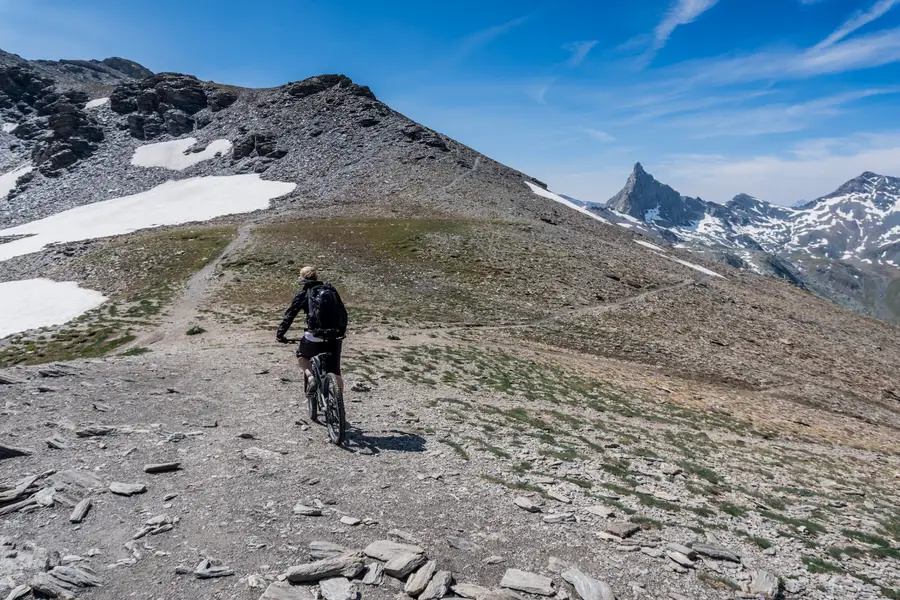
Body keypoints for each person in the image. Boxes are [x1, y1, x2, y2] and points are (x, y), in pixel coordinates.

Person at [276, 266, 347, 399]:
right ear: (316, 276)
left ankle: (311, 378)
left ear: (302, 278)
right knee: (336, 372)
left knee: (302, 356)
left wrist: (280, 335)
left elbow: (289, 316)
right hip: (335, 336)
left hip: (313, 336)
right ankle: (338, 404)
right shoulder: (330, 289)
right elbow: (342, 311)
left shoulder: (303, 293)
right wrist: (341, 331)